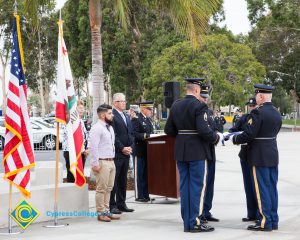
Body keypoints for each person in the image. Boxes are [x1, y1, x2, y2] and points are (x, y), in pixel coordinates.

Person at [164, 77, 224, 233]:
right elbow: (204, 130)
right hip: (197, 151)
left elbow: (168, 130)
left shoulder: (176, 105)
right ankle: (195, 221)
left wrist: (183, 136)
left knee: (185, 186)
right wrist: (216, 138)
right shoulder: (199, 106)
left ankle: (187, 222)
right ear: (197, 90)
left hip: (181, 151)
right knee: (197, 187)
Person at [226, 84, 282, 231]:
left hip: (259, 156)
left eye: (257, 95)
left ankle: (264, 222)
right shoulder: (276, 113)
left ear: (261, 96)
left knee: (262, 189)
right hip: (272, 154)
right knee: (271, 189)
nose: (256, 98)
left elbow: (249, 134)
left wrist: (233, 139)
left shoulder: (258, 113)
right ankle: (273, 219)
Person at [228, 97, 259, 222]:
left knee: (255, 185)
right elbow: (234, 129)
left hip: (255, 154)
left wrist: (239, 137)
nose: (252, 108)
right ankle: (251, 213)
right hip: (244, 154)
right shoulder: (245, 118)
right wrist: (230, 134)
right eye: (250, 106)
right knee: (248, 186)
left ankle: (258, 214)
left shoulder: (258, 117)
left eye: (254, 106)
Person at [89, 104, 120, 222]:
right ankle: (100, 213)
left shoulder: (109, 127)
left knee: (109, 188)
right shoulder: (97, 128)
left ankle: (106, 211)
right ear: (102, 115)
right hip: (102, 162)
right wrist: (95, 163)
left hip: (111, 161)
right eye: (110, 113)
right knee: (101, 189)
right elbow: (93, 147)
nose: (112, 115)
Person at [109, 93, 135, 214]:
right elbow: (113, 135)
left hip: (126, 152)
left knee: (123, 180)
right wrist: (122, 148)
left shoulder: (125, 115)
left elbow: (130, 133)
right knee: (114, 180)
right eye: (121, 101)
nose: (124, 103)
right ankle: (112, 205)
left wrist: (130, 147)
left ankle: (121, 203)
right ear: (115, 103)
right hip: (117, 153)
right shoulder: (112, 116)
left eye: (124, 101)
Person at [198, 84, 219, 223]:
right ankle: (201, 212)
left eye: (206, 97)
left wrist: (217, 135)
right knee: (203, 184)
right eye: (203, 97)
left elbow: (214, 127)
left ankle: (207, 210)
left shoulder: (209, 112)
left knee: (210, 183)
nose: (205, 100)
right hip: (202, 150)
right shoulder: (198, 111)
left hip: (211, 150)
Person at [131, 101, 154, 202]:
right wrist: (145, 136)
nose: (151, 111)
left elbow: (151, 133)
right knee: (139, 174)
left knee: (145, 174)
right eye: (149, 109)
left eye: (151, 109)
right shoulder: (137, 119)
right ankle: (139, 195)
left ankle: (145, 194)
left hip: (147, 151)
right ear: (143, 109)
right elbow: (134, 133)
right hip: (139, 150)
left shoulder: (148, 120)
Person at [62, 100, 89, 183]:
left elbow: (85, 136)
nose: (82, 110)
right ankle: (71, 194)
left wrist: (86, 149)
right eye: (80, 108)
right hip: (71, 151)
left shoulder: (80, 121)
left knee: (79, 173)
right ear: (74, 109)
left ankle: (78, 193)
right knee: (72, 175)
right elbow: (68, 136)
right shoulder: (68, 121)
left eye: (83, 108)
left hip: (81, 152)